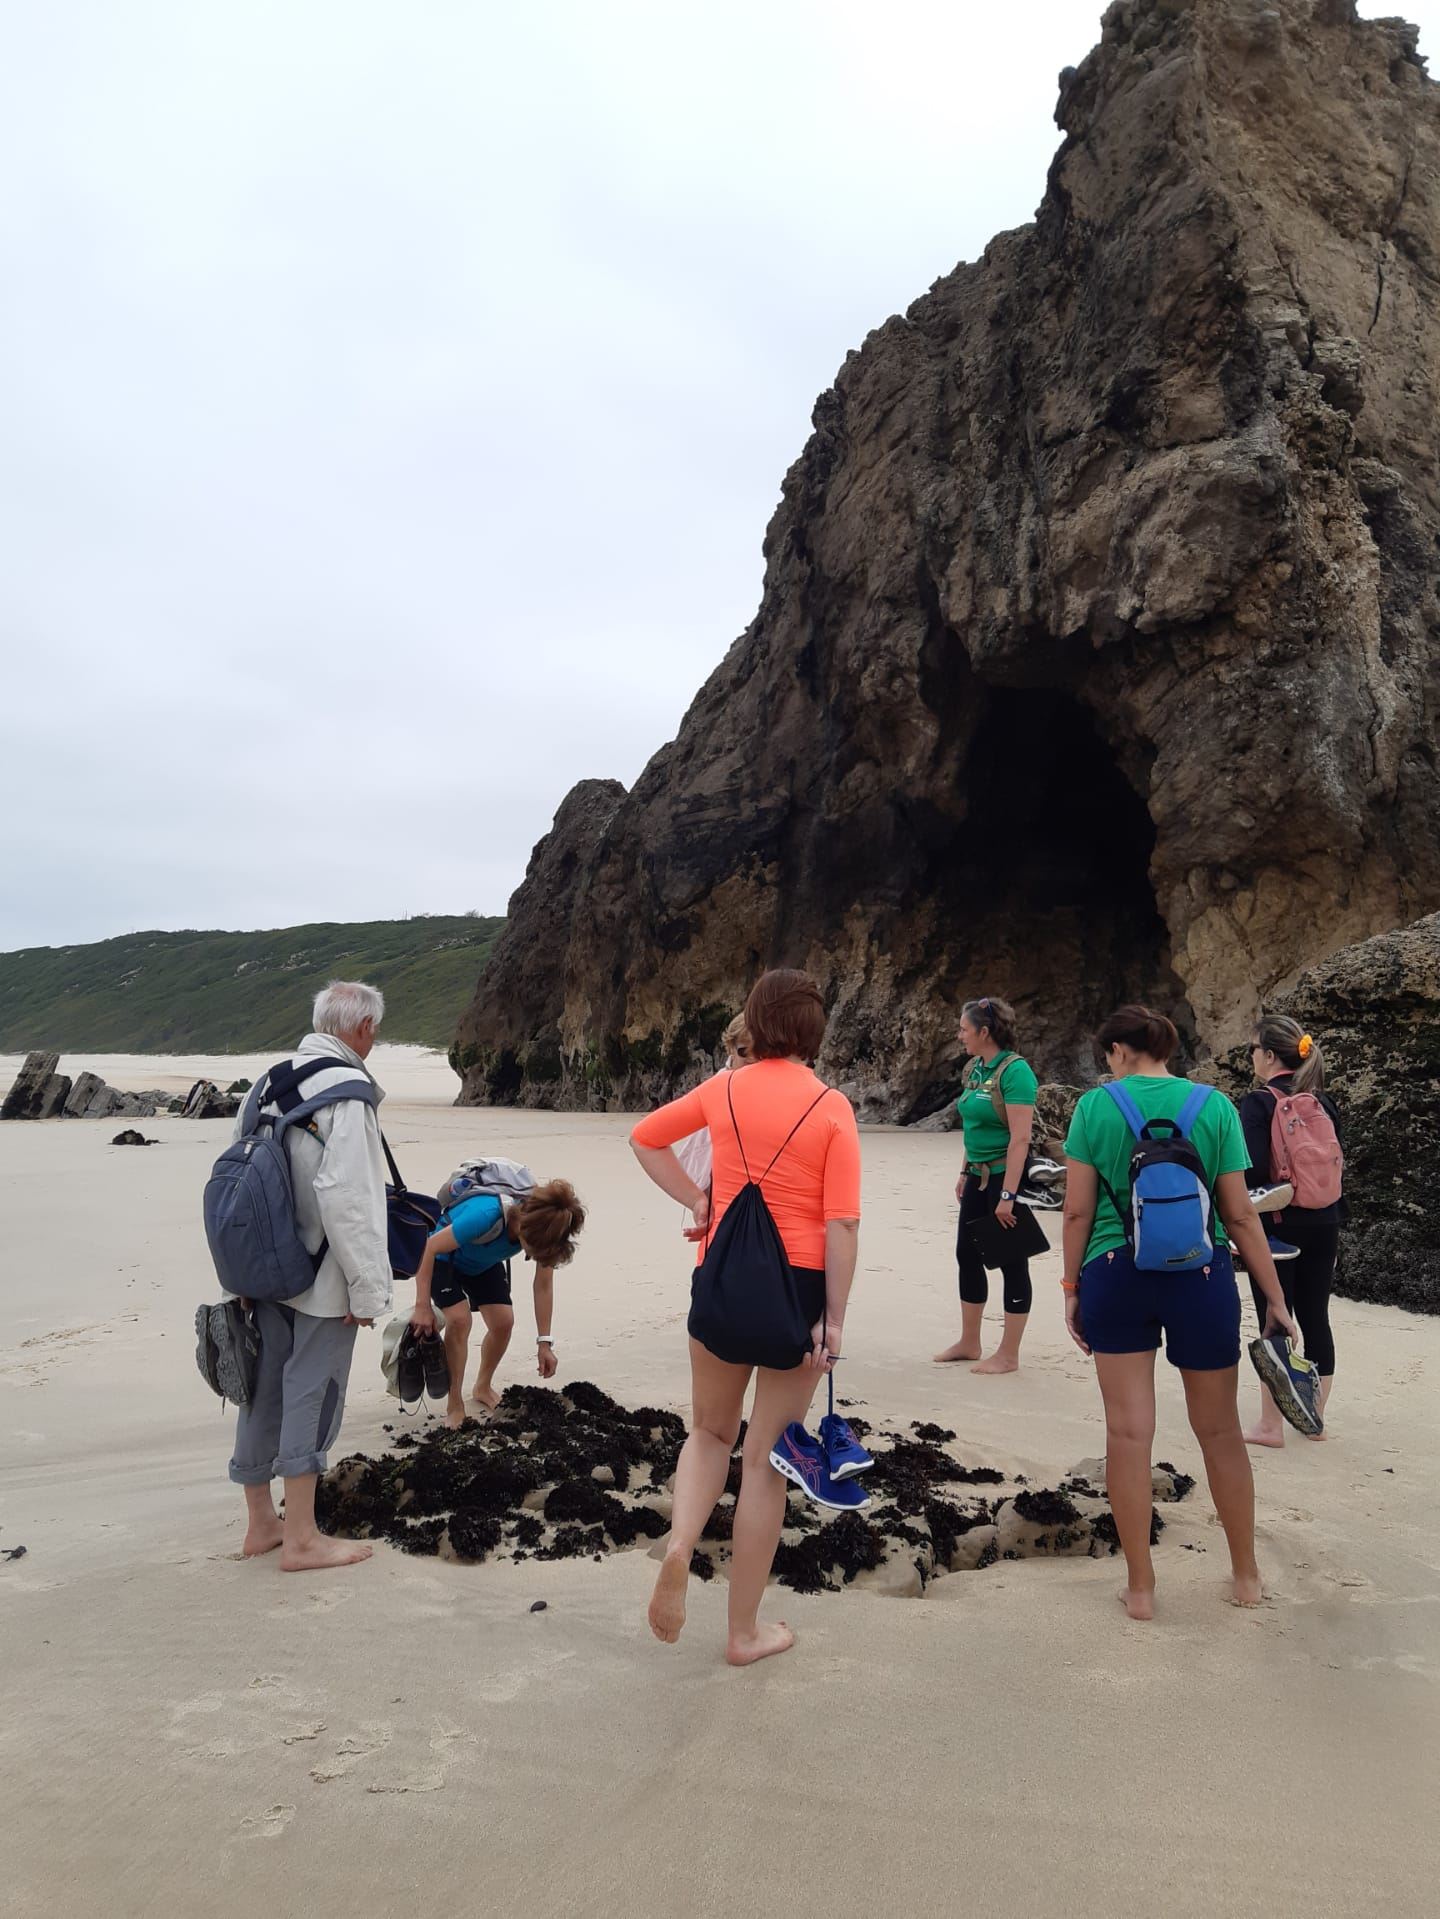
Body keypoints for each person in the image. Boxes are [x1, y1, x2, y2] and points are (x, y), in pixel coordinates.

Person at [629, 969, 861, 1666]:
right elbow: (842, 1224)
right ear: (815, 1031)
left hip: (722, 1278)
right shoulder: (831, 1106)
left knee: (708, 1431)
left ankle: (680, 1543)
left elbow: (645, 1138)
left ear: (755, 1023)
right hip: (798, 1292)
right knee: (764, 1460)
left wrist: (699, 1201)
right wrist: (834, 1321)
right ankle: (743, 1633)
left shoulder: (724, 1088)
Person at [1061, 1005, 1300, 1619]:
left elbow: (1077, 1212)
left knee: (1128, 1433)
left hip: (1115, 1270)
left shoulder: (1095, 1107)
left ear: (1119, 1050)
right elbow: (1240, 1214)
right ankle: (1245, 1576)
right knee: (1219, 1431)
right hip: (1202, 1275)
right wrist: (1275, 1299)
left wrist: (1071, 1286)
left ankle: (1141, 1588)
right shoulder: (1214, 1106)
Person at [230, 981, 392, 1571]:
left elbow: (237, 1171)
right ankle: (301, 1537)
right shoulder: (347, 1093)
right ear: (364, 1028)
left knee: (262, 1386)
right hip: (322, 1273)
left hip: (260, 1266)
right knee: (312, 1389)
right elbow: (349, 1198)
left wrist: (237, 1273)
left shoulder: (265, 1084)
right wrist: (368, 1288)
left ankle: (261, 1524)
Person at [1239, 1016, 1344, 1447]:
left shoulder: (1258, 1103)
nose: (1250, 1057)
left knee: (1275, 1316)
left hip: (1277, 1227)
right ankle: (1314, 1420)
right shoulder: (1322, 1101)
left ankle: (1271, 1426)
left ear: (1268, 1055)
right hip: (1326, 1219)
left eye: (1252, 1049)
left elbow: (1252, 1171)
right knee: (1317, 1316)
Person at [410, 1177, 585, 1425]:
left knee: (503, 1323)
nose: (535, 1255)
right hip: (444, 1259)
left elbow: (543, 1286)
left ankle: (482, 1387)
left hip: (482, 1263)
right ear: (522, 1225)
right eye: (533, 1249)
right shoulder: (485, 1216)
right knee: (459, 1320)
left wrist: (544, 1343)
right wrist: (422, 1306)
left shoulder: (548, 1232)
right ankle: (455, 1403)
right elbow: (429, 1247)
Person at [935, 995, 1038, 1374]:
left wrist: (1007, 1195)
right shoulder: (975, 1069)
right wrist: (965, 1172)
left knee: (1011, 1260)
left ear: (985, 1031)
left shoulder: (1015, 1072)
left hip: (1004, 1177)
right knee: (967, 1254)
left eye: (964, 1029)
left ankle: (1008, 1354)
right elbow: (973, 1128)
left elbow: (1021, 1139)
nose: (959, 1035)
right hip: (977, 1176)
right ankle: (970, 1342)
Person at [674, 1014, 751, 1206]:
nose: (751, 1057)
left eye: (760, 1051)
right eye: (744, 1051)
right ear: (731, 1048)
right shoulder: (717, 1087)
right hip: (716, 1181)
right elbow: (645, 1138)